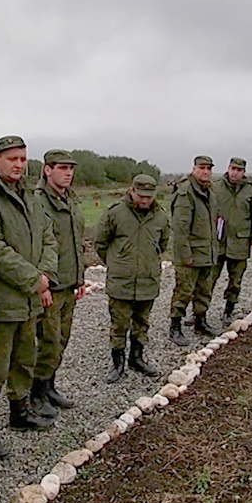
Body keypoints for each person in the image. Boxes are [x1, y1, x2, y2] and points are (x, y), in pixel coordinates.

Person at [0, 135, 58, 459]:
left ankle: (20, 411)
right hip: (2, 299)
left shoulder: (30, 194)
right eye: (11, 159)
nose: (18, 164)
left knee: (24, 358)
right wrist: (34, 278)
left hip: (30, 297)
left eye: (22, 158)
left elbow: (47, 235)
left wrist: (43, 276)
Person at [95, 175, 170, 383]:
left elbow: (162, 244)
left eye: (149, 196)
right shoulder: (115, 213)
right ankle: (117, 364)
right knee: (119, 324)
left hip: (148, 280)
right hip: (121, 281)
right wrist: (118, 263)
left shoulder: (161, 217)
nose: (145, 200)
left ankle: (137, 358)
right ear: (132, 191)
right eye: (141, 196)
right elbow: (100, 242)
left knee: (142, 323)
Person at [30, 149, 86, 413]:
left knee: (61, 340)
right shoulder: (37, 202)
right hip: (50, 286)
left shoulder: (70, 200)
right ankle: (36, 394)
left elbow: (76, 243)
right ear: (47, 170)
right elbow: (35, 246)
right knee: (48, 342)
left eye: (70, 169)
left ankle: (49, 387)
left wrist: (80, 278)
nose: (68, 173)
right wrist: (42, 285)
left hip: (69, 284)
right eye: (62, 168)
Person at [169, 155, 220, 344]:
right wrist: (185, 256)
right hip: (190, 254)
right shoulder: (185, 192)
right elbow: (180, 229)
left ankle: (200, 320)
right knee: (184, 290)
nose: (205, 171)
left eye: (208, 168)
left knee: (204, 290)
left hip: (207, 251)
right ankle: (175, 326)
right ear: (194, 169)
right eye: (202, 168)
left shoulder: (209, 193)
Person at [211, 157, 252, 324]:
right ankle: (199, 312)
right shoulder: (215, 187)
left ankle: (229, 310)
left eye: (239, 170)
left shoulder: (251, 191)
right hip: (218, 241)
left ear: (243, 172)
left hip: (240, 243)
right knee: (208, 280)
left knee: (235, 281)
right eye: (233, 169)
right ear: (228, 168)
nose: (235, 172)